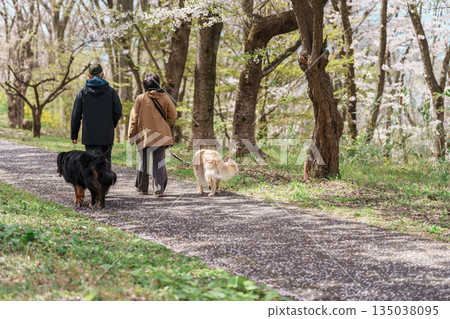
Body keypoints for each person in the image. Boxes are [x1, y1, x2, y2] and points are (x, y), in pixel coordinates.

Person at [128, 74, 177, 197]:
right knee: (159, 161)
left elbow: (133, 119)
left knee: (143, 161)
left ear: (145, 85)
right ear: (158, 84)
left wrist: (131, 135)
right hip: (161, 135)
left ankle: (143, 188)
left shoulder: (140, 98)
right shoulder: (165, 97)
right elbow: (173, 115)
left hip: (144, 136)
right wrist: (165, 120)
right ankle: (159, 189)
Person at [71, 63, 122, 164]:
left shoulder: (82, 93)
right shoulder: (111, 92)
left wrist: (74, 134)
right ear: (102, 75)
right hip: (106, 134)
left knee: (91, 164)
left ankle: (93, 180)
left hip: (90, 136)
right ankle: (106, 180)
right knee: (106, 163)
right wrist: (111, 124)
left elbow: (76, 114)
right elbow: (118, 110)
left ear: (89, 76)